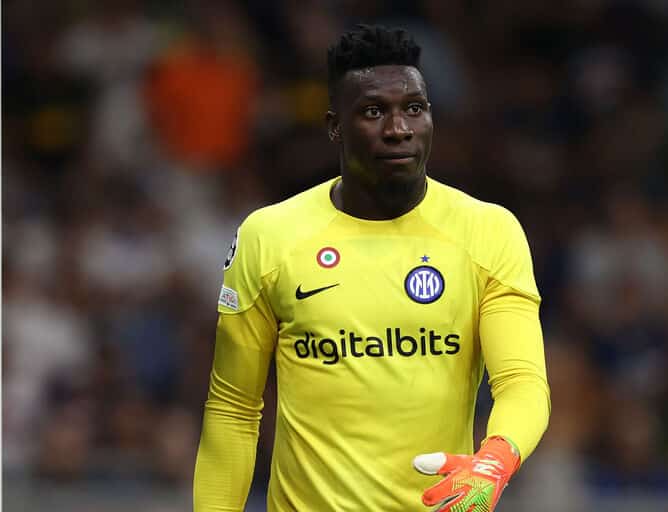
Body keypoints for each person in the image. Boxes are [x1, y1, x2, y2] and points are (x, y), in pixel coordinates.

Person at [194, 24, 550, 511]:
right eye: (373, 111)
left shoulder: (487, 232)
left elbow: (522, 383)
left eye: (414, 109)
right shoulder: (270, 237)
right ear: (334, 126)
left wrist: (495, 459)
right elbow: (233, 409)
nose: (398, 127)